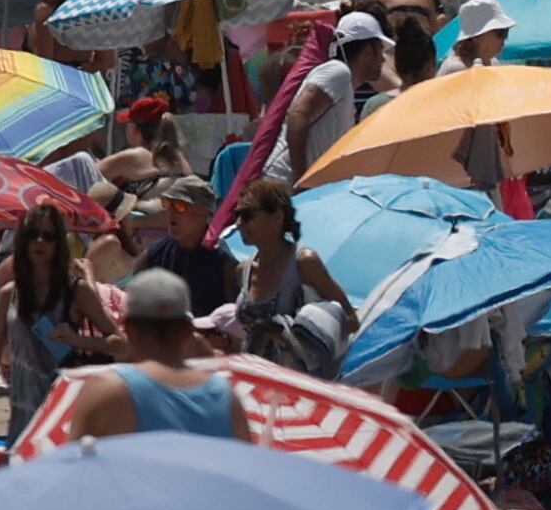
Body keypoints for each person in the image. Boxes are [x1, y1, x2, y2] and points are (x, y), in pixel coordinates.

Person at [0, 204, 124, 443]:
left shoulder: (75, 292)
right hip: (22, 416)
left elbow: (120, 343)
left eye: (48, 236)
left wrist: (76, 339)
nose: (39, 241)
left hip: (62, 417)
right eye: (32, 234)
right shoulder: (10, 295)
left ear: (58, 243)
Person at [64, 271, 249, 441]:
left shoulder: (106, 391)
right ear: (188, 330)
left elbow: (73, 467)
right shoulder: (227, 397)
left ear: (128, 328)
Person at [228, 180, 358, 371]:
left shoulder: (304, 263)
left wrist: (299, 337)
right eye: (236, 215)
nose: (239, 224)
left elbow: (350, 320)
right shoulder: (243, 271)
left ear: (278, 216)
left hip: (298, 383)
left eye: (247, 215)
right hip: (253, 377)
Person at [269, 11, 391, 184]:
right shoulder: (338, 72)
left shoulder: (344, 85)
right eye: (381, 50)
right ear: (369, 51)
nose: (383, 60)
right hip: (283, 183)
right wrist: (301, 178)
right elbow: (298, 114)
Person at [133, 175, 237, 318]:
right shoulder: (155, 254)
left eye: (180, 206)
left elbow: (234, 317)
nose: (171, 213)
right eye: (168, 204)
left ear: (205, 212)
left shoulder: (226, 260)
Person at [438, 0, 512, 77]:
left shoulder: (493, 62)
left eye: (506, 31)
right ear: (476, 36)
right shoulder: (457, 69)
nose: (505, 38)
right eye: (500, 32)